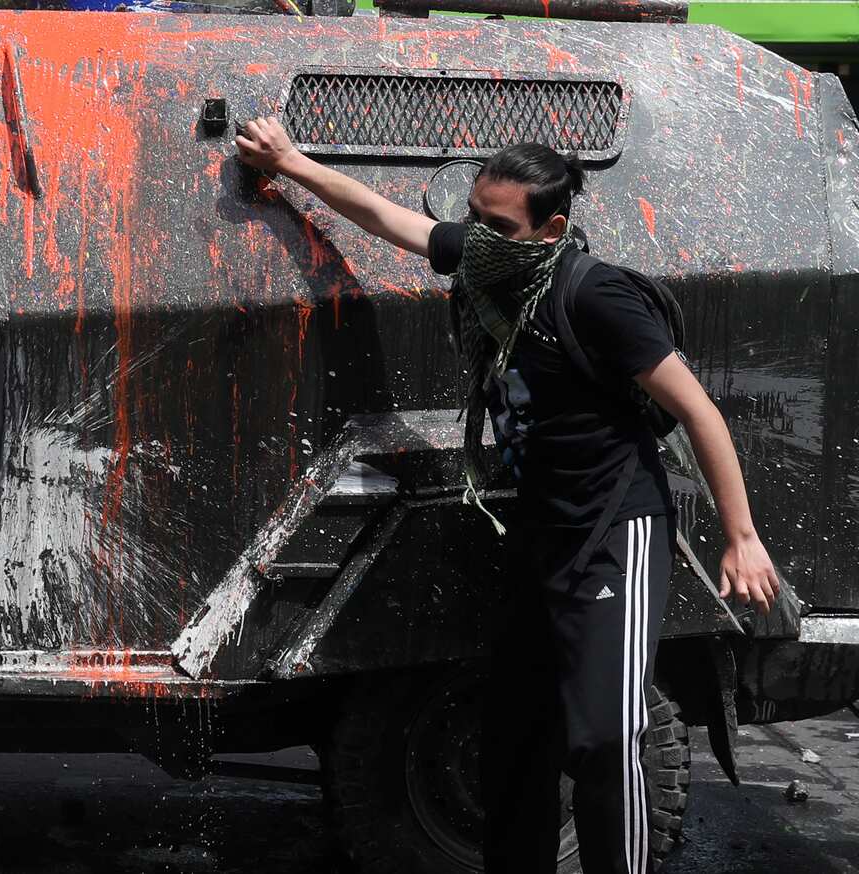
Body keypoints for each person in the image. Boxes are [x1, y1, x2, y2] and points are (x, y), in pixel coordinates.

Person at [234, 118, 779, 874]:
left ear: (550, 228)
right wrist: (292, 164)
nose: (475, 235)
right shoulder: (494, 262)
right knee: (514, 739)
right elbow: (387, 217)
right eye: (474, 215)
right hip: (538, 535)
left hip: (613, 531)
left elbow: (699, 411)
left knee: (603, 737)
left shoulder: (597, 297)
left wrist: (741, 536)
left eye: (496, 223)